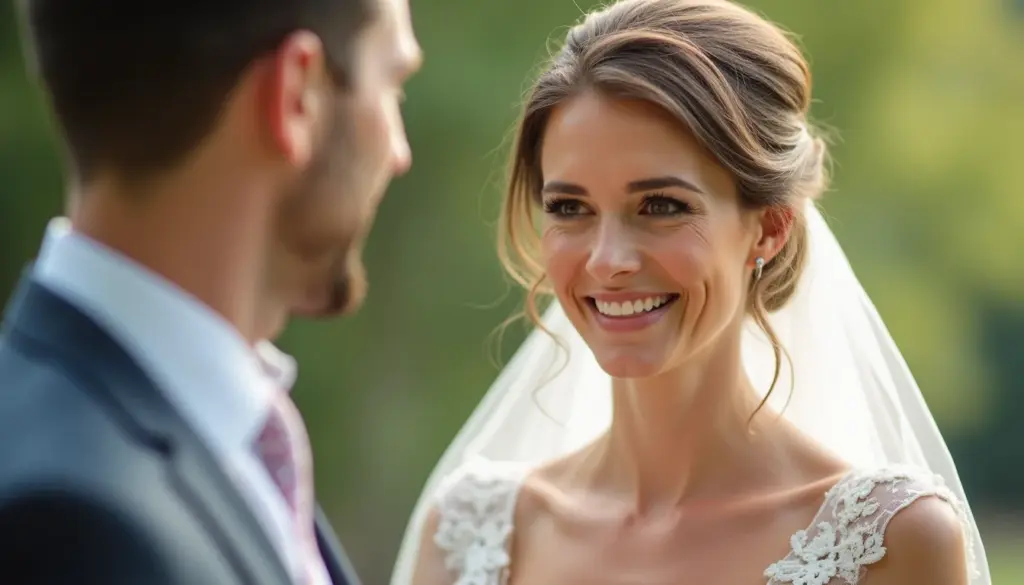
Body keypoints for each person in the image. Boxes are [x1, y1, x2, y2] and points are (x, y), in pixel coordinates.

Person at [391, 1, 991, 584]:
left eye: (660, 206)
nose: (607, 261)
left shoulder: (891, 544)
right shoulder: (471, 534)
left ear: (770, 227)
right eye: (570, 208)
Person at [0, 0, 421, 582]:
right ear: (296, 95)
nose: (399, 154)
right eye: (392, 83)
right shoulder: (79, 527)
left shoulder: (220, 437)